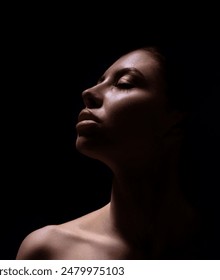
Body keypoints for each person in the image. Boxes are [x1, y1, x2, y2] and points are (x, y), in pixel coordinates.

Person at [16, 45, 203, 260]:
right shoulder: (48, 251)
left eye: (124, 84)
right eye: (99, 81)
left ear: (176, 121)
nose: (88, 93)